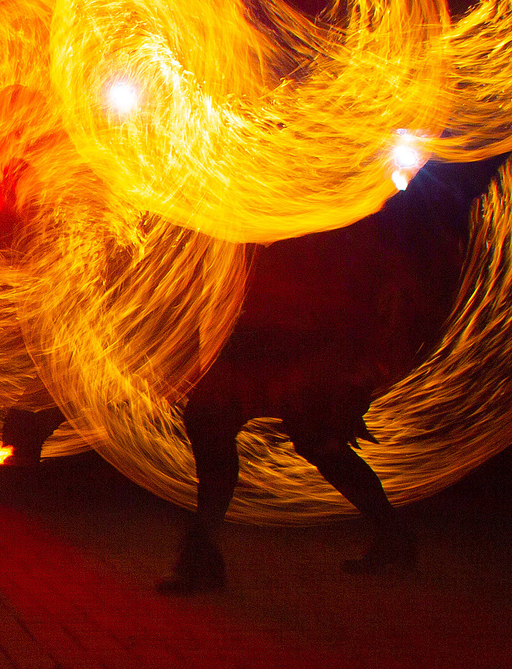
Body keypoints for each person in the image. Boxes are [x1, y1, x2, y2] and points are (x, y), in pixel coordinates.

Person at [158, 211, 449, 595]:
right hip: (272, 329)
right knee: (215, 421)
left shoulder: (332, 211)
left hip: (304, 336)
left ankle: (201, 555)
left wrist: (356, 369)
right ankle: (200, 553)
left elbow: (356, 271)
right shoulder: (279, 197)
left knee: (309, 438)